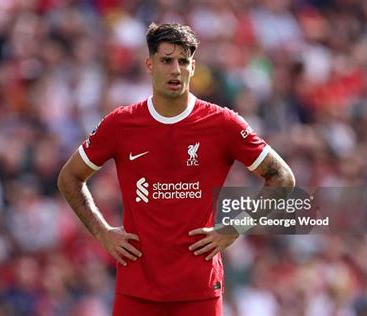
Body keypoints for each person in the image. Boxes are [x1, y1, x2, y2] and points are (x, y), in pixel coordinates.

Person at [58, 22, 295, 316]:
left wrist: (235, 228)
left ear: (193, 67)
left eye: (183, 62)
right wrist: (102, 232)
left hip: (198, 289)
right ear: (149, 64)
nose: (175, 69)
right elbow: (69, 177)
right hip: (137, 289)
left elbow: (282, 178)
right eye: (166, 60)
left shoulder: (222, 124)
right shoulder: (121, 124)